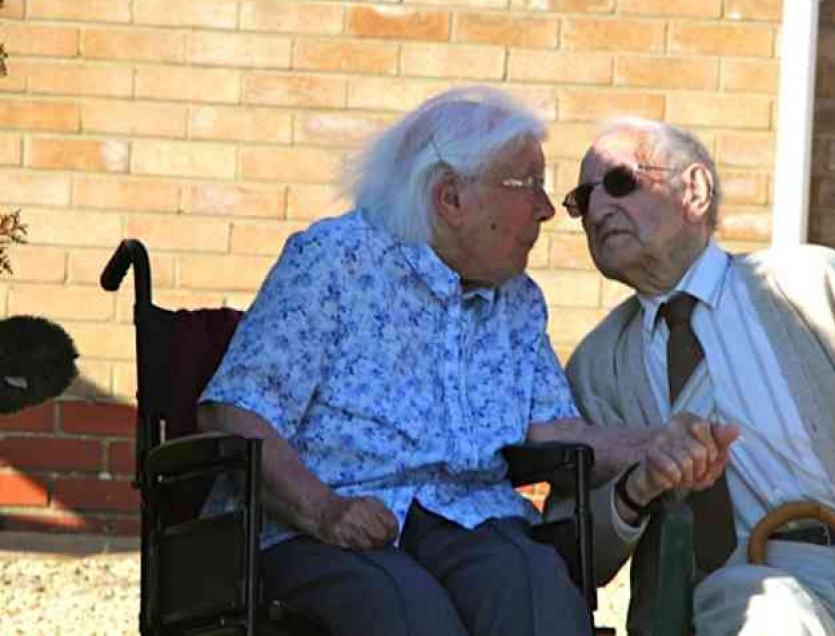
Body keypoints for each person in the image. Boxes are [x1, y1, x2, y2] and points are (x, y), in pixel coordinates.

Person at [195, 88, 723, 636]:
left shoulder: (516, 299)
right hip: (328, 522)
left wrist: (656, 446)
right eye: (530, 184)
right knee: (406, 613)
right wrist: (325, 510)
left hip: (468, 518)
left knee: (540, 591)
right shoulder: (332, 261)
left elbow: (552, 431)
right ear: (451, 198)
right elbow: (233, 412)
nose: (548, 209)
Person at [558, 117, 835, 636]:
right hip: (738, 588)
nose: (599, 209)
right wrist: (639, 486)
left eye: (619, 183)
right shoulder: (597, 366)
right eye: (583, 199)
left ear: (693, 190)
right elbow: (581, 554)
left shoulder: (810, 285)